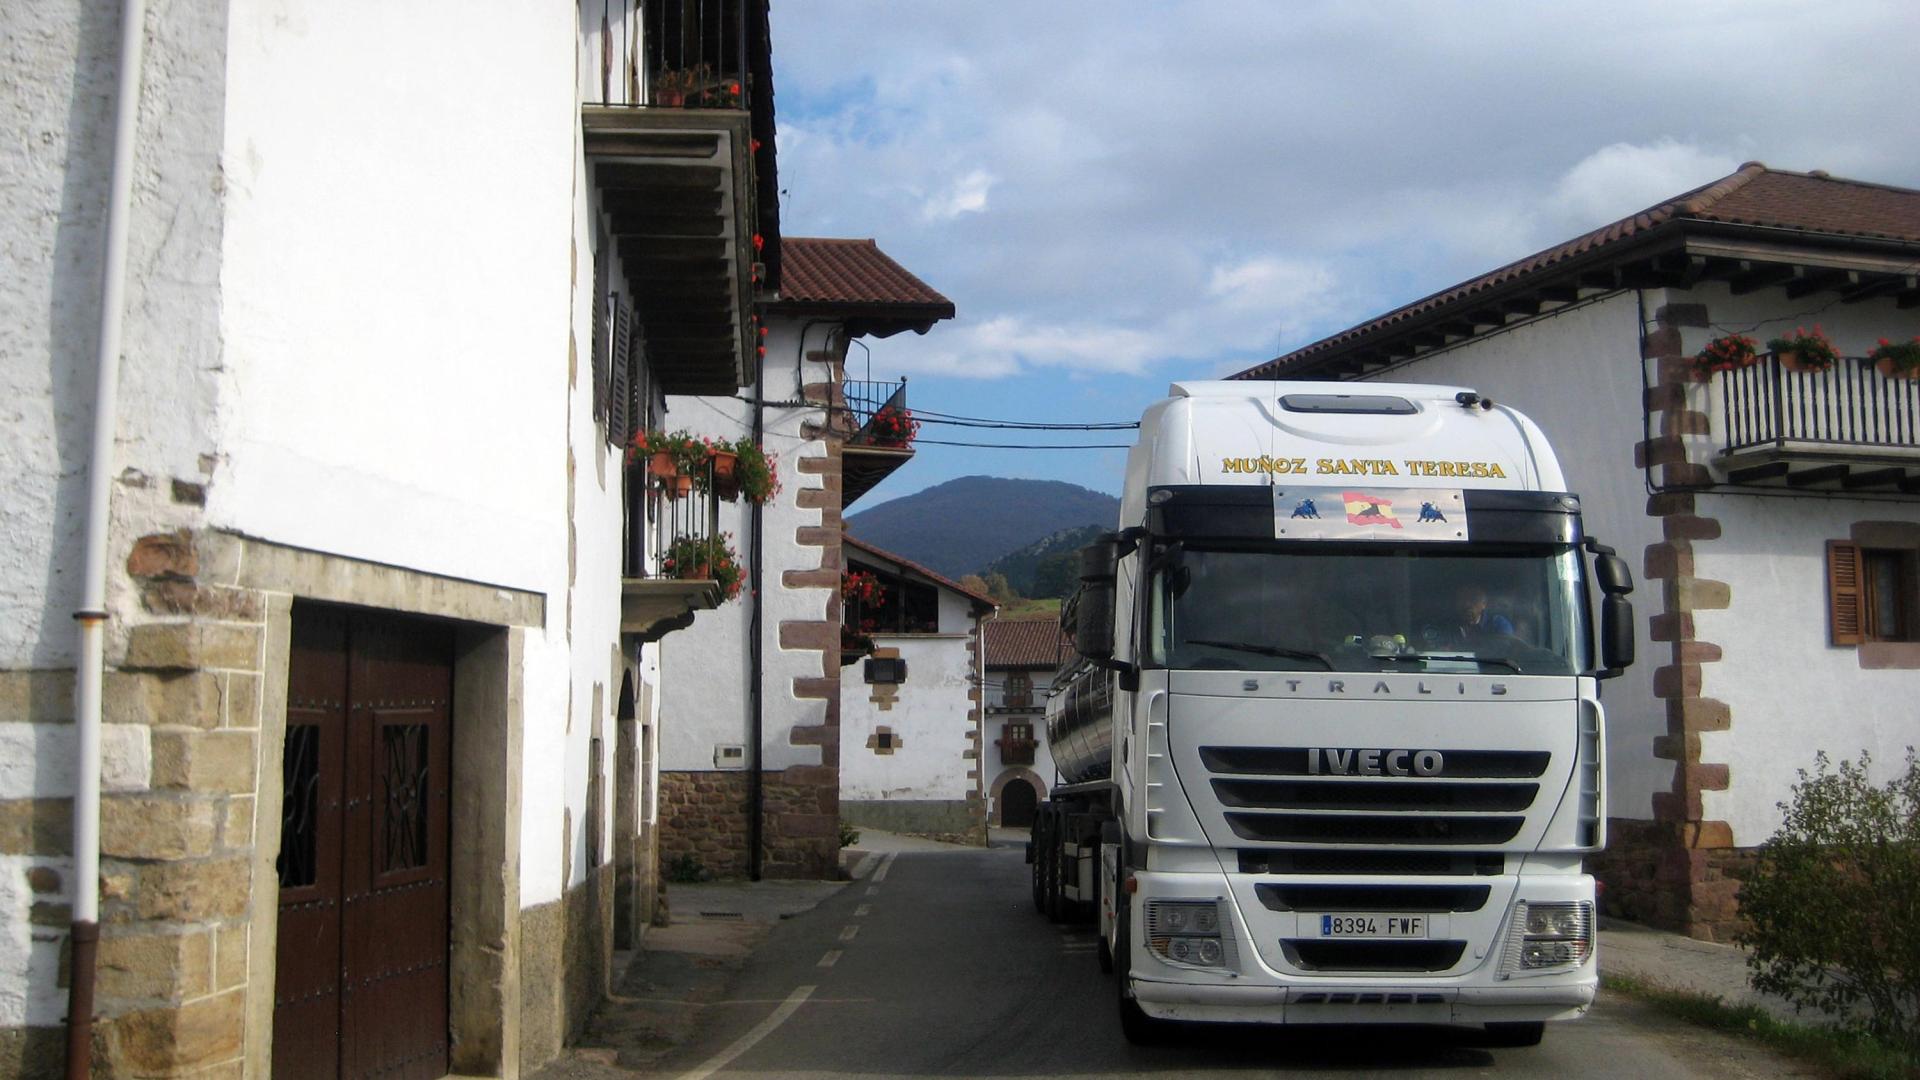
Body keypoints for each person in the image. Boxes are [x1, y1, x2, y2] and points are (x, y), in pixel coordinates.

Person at [1423, 583, 1514, 647]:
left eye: (1473, 600)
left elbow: (1503, 649)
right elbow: (1434, 646)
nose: (1467, 605)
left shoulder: (1498, 624)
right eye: (1462, 600)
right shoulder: (1445, 624)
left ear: (1484, 604)